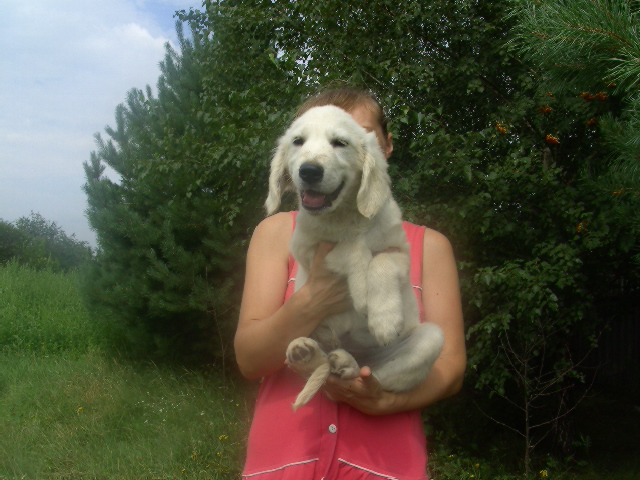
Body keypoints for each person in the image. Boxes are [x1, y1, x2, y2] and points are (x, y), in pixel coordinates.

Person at [235, 89, 466, 480]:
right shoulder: (275, 233)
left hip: (382, 465)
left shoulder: (430, 246)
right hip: (286, 461)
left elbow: (451, 368)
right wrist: (315, 298)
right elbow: (249, 360)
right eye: (306, 139)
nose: (320, 156)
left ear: (381, 147)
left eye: (344, 139)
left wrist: (386, 401)